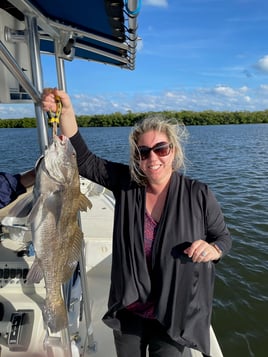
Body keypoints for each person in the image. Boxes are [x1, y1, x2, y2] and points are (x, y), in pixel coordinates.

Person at [42, 88, 232, 357]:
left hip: (173, 313)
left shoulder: (198, 194)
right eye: (144, 152)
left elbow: (223, 238)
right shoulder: (126, 184)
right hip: (130, 307)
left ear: (173, 151)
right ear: (138, 158)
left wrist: (213, 250)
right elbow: (84, 160)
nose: (153, 158)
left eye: (160, 149)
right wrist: (68, 111)